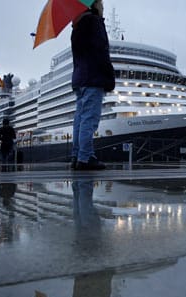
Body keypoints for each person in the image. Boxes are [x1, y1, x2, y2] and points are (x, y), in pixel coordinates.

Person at [71, 0, 115, 170]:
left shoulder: (76, 27)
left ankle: (76, 156)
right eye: (101, 4)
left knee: (80, 119)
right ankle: (85, 157)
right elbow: (101, 52)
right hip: (93, 77)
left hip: (80, 78)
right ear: (95, 5)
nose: (103, 7)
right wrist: (109, 77)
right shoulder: (94, 22)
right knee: (89, 119)